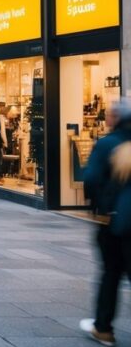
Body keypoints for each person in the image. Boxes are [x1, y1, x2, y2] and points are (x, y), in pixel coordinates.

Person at [80, 100, 131, 346]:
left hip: (116, 220)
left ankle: (103, 328)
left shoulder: (108, 143)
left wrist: (98, 207)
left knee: (111, 272)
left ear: (115, 118)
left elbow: (90, 178)